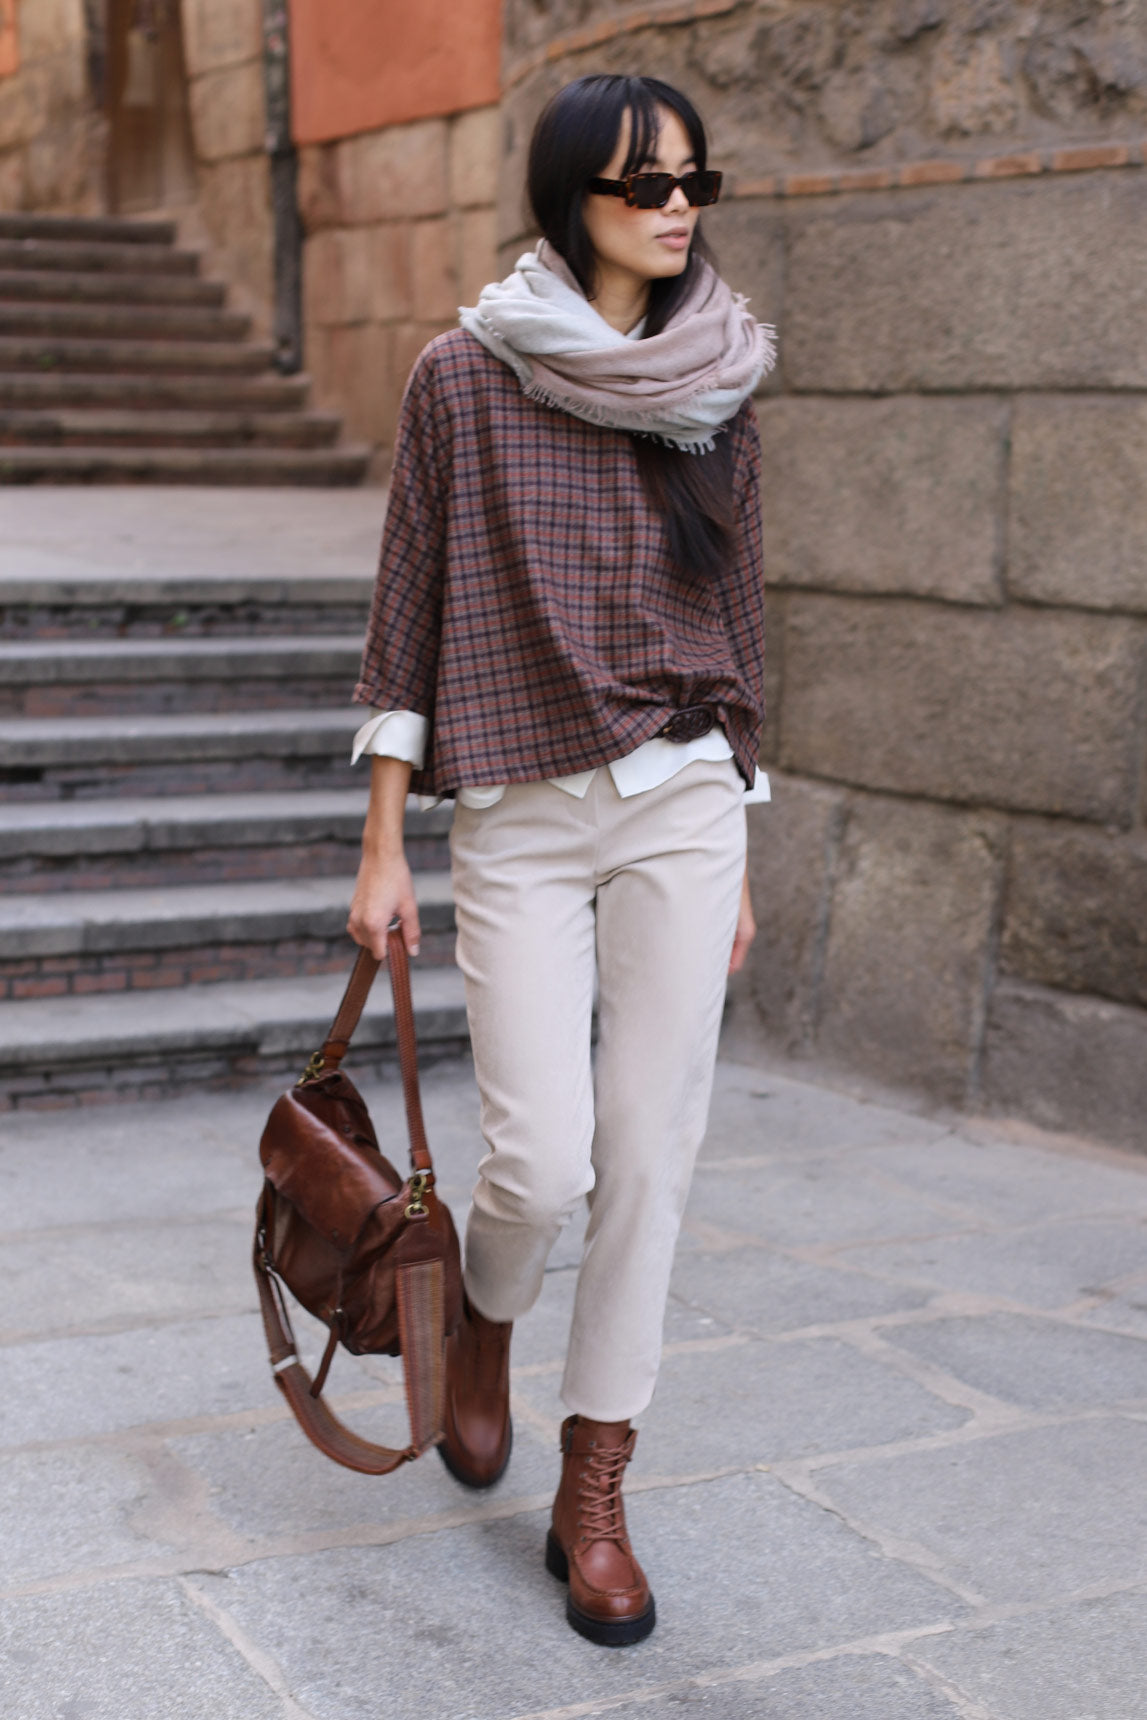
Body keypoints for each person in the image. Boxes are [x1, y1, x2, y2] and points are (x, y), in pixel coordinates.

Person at [347, 71, 774, 1648]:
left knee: (653, 1152)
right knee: (539, 1162)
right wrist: (383, 843)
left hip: (683, 796)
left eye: (693, 183)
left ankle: (595, 1488)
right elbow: (407, 610)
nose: (676, 209)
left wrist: (741, 831)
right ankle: (485, 1316)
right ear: (567, 197)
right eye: (643, 183)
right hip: (521, 801)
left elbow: (739, 616)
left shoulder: (722, 376)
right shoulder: (464, 376)